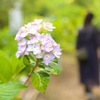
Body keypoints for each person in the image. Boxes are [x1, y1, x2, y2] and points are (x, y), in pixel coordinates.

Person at [76, 12, 100, 99]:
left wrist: (78, 52)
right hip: (92, 53)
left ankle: (87, 90)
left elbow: (77, 44)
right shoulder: (94, 29)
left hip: (83, 53)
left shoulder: (80, 29)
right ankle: (89, 91)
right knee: (92, 71)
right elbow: (97, 43)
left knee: (85, 71)